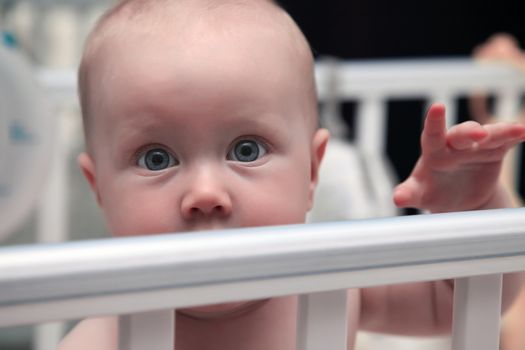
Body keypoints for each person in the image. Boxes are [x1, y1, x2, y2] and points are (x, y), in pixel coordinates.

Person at [59, 0, 525, 349]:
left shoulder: (334, 283)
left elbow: (463, 300)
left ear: (311, 171)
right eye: (156, 158)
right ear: (99, 189)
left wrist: (476, 209)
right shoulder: (101, 339)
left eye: (246, 150)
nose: (204, 193)